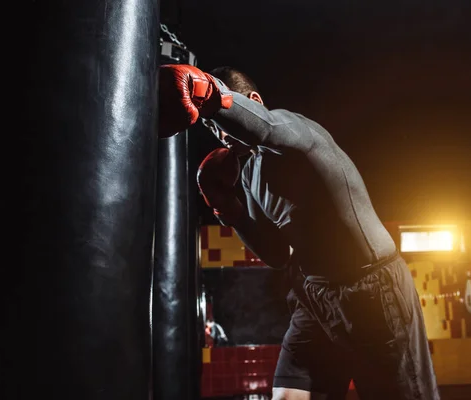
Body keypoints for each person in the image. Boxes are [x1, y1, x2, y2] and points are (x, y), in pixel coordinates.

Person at [159, 65, 439, 400]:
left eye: (218, 120)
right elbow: (276, 254)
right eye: (212, 126)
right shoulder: (249, 177)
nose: (220, 134)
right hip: (315, 298)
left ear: (253, 100)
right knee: (290, 396)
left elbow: (267, 128)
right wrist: (228, 210)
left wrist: (210, 95)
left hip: (372, 292)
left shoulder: (297, 130)